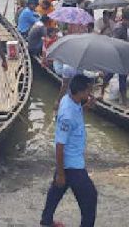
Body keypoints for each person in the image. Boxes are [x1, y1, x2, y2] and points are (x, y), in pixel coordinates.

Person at [40, 75, 98, 227]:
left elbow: (77, 114)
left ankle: (46, 220)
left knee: (57, 191)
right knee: (90, 198)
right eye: (88, 91)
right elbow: (60, 145)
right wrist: (60, 172)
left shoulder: (71, 99)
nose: (90, 93)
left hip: (71, 160)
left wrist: (87, 105)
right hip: (73, 165)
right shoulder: (67, 115)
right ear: (80, 91)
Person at [102, 9, 129, 105]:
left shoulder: (124, 27)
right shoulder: (119, 28)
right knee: (109, 75)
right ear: (125, 19)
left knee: (123, 78)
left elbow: (127, 39)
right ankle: (102, 91)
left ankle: (124, 99)